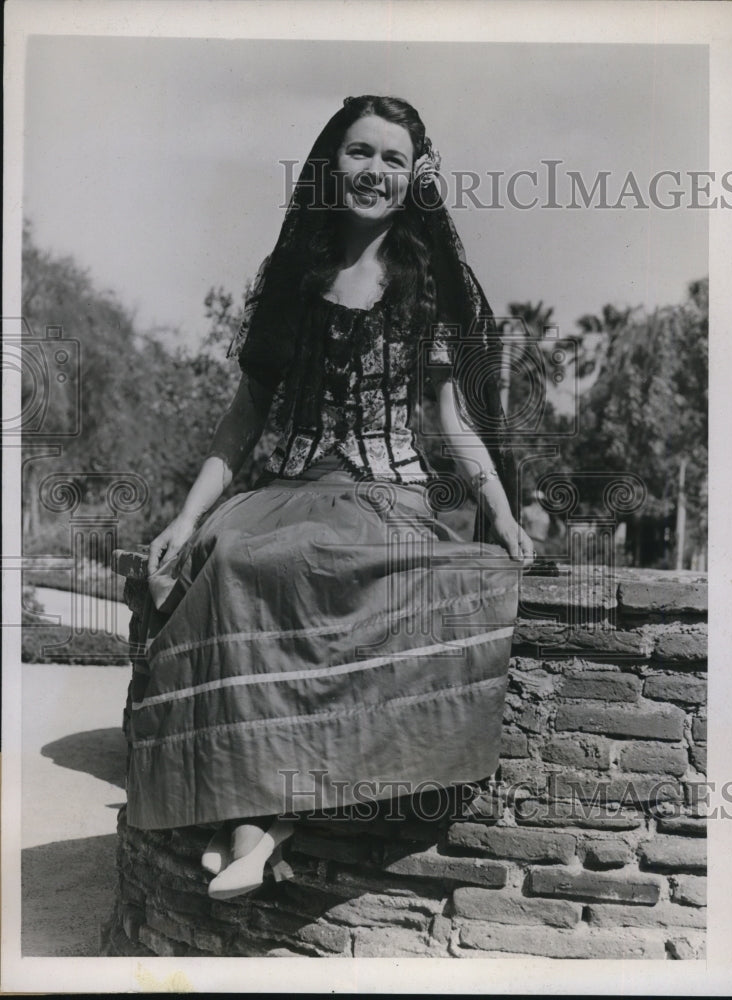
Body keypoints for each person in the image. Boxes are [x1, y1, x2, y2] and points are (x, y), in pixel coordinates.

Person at [133, 95, 534, 901]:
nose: (374, 172)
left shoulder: (425, 286)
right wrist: (185, 514)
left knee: (344, 568)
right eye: (361, 153)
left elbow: (453, 423)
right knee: (232, 555)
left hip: (384, 495)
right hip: (285, 488)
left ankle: (251, 828)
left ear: (414, 175)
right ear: (331, 160)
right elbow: (246, 412)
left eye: (392, 158)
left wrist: (499, 513)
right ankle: (260, 827)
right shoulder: (295, 272)